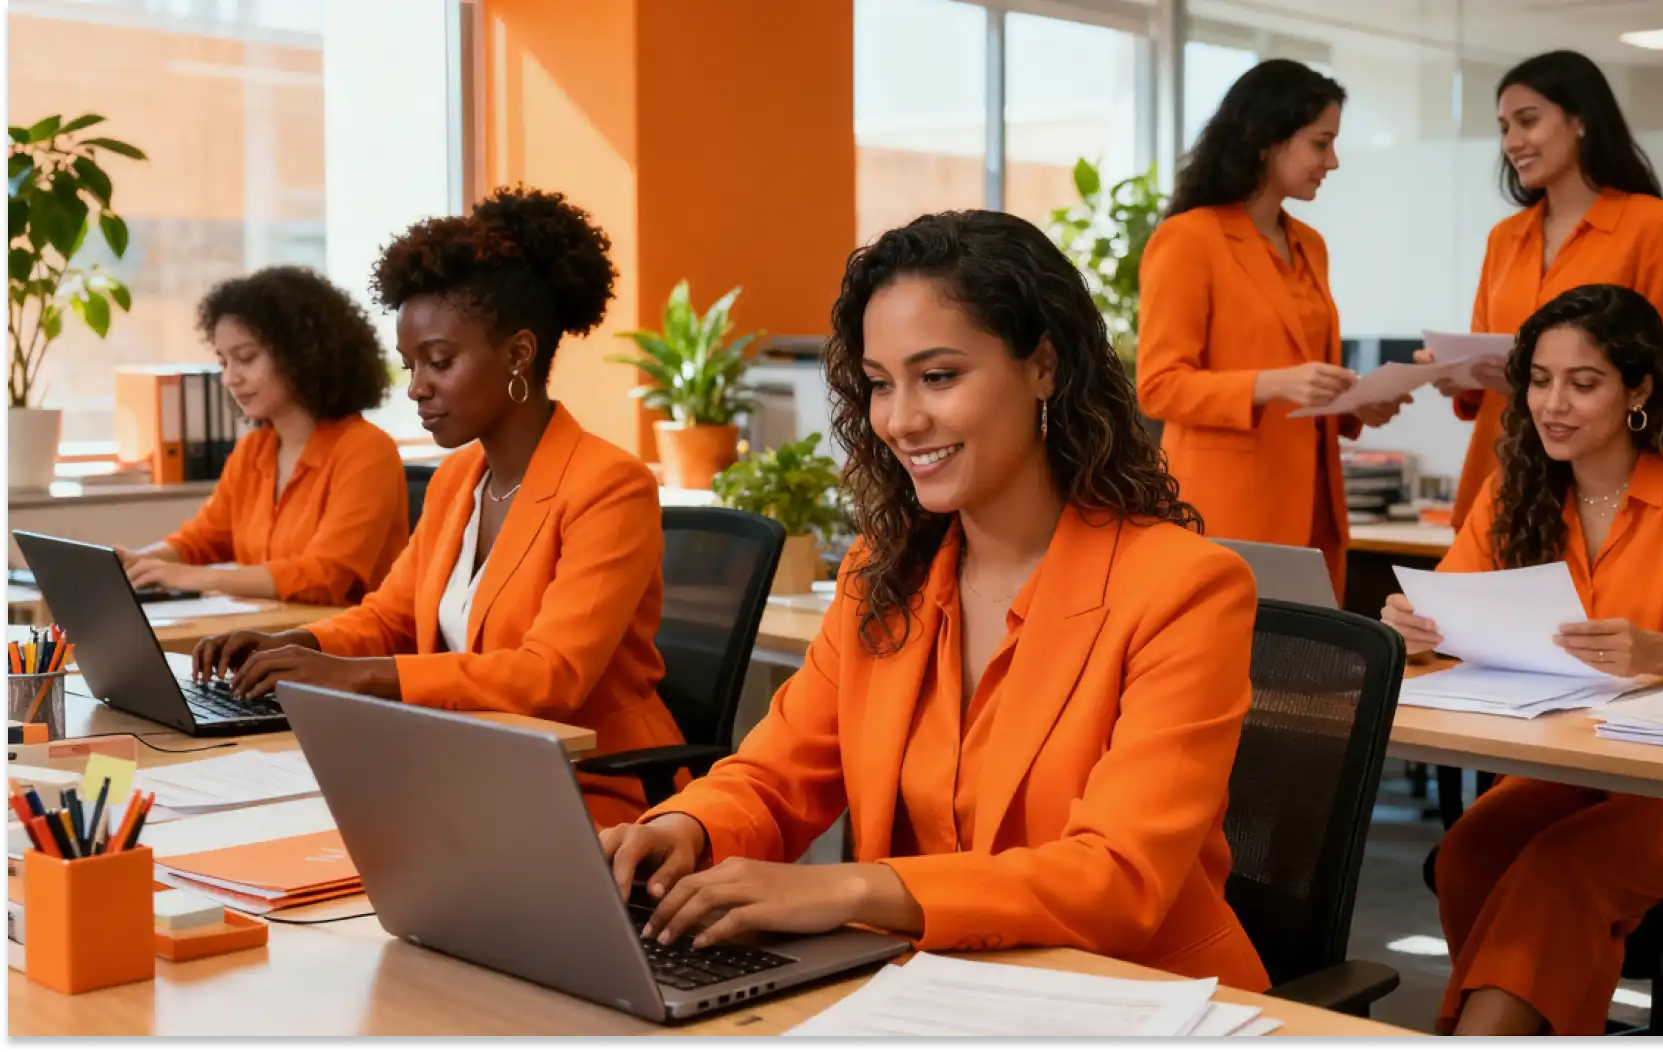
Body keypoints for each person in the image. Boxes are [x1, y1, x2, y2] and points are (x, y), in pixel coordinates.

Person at [597, 210, 1271, 991]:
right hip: (925, 990)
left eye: (939, 376)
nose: (901, 420)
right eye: (880, 385)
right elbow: (776, 776)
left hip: (1123, 994)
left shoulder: (1185, 588)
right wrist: (687, 825)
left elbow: (1117, 878)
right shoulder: (883, 578)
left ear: (1043, 366)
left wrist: (851, 887)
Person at [193, 187, 683, 826]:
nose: (418, 388)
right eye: (410, 365)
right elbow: (388, 619)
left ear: (518, 354)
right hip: (465, 770)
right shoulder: (458, 479)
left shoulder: (608, 485)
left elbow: (550, 677)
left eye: (440, 362)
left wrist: (362, 679)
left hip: (591, 788)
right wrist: (295, 642)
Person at [1382, 284, 1663, 1037]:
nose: (1552, 403)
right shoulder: (1516, 488)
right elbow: (1453, 608)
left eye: (1583, 382)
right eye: (1538, 379)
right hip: (1566, 768)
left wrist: (1653, 651)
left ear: (1638, 389)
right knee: (1469, 853)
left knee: (1561, 868)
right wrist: (1414, 627)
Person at [1137, 58, 1409, 600]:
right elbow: (1158, 385)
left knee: (1304, 679)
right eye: (1320, 143)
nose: (1332, 161)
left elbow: (1305, 376)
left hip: (1315, 508)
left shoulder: (1310, 244)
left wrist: (1354, 404)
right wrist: (1275, 384)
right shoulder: (1188, 239)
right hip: (1229, 510)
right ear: (1266, 140)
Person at [1422, 49, 1663, 530]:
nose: (1512, 142)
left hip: (1601, 488)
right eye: (1504, 127)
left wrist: (1539, 379)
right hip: (1503, 481)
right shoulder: (1505, 238)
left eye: (1527, 121)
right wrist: (1461, 375)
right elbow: (1487, 353)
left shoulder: (1655, 227)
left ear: (1579, 120)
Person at [119, 266, 408, 606]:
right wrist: (141, 562)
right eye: (223, 361)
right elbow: (202, 539)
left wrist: (199, 578)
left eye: (246, 358)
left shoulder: (367, 451)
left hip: (348, 648)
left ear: (303, 356)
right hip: (272, 636)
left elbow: (326, 577)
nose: (229, 378)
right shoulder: (254, 450)